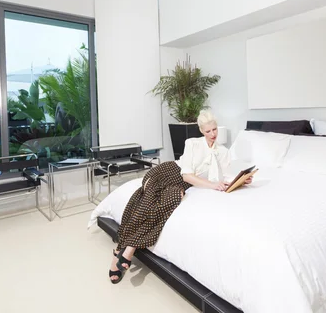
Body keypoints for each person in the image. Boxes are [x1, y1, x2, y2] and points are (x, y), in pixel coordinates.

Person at [108, 110, 252, 284]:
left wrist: (242, 180)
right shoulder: (192, 143)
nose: (213, 134)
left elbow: (226, 175)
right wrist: (213, 186)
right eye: (208, 131)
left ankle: (124, 249)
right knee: (148, 200)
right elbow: (187, 176)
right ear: (201, 131)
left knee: (171, 199)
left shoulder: (223, 152)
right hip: (170, 172)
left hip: (182, 185)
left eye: (214, 129)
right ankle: (125, 250)